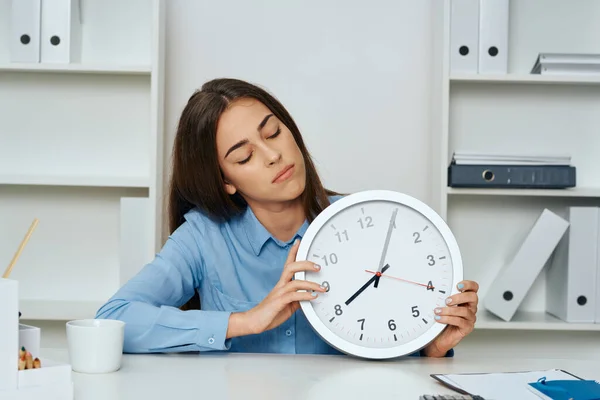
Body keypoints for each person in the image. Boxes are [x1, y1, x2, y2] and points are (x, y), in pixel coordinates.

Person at [95, 78, 479, 357]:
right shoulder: (203, 236)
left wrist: (430, 346)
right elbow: (113, 321)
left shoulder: (365, 221)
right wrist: (248, 320)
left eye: (273, 133)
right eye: (244, 157)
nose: (272, 155)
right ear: (225, 181)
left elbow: (386, 337)